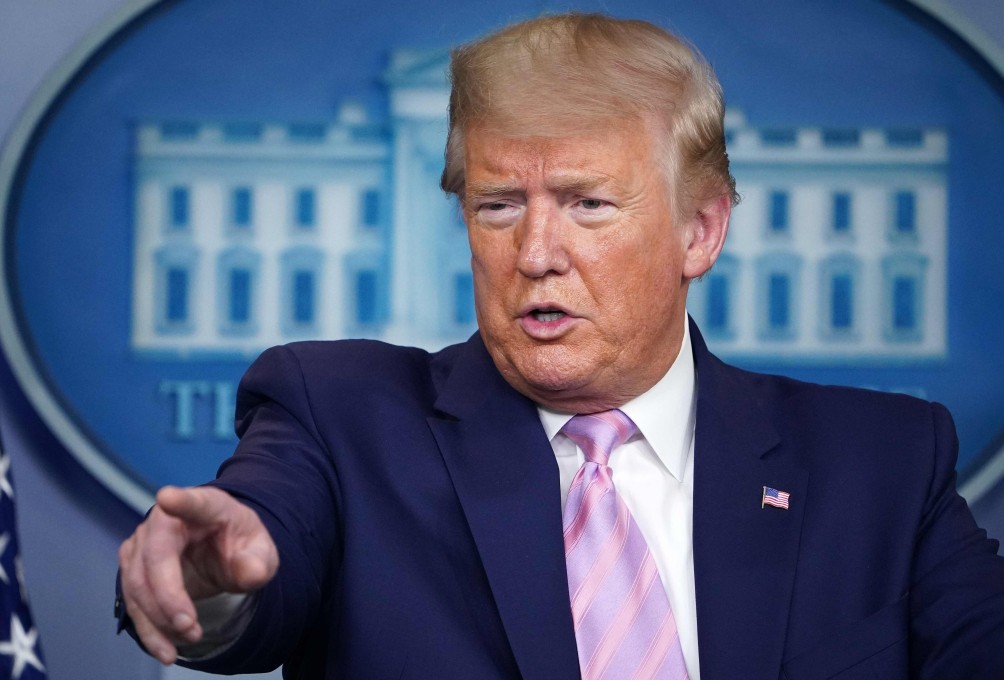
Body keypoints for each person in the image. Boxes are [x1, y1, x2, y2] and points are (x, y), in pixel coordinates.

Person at [116, 12, 1004, 679]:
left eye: (588, 204)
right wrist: (214, 582)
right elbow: (262, 546)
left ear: (701, 231)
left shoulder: (884, 463)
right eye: (498, 205)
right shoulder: (340, 415)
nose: (535, 255)